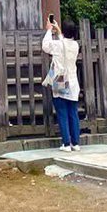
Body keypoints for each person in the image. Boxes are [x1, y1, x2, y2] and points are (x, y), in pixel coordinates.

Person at [42, 14, 81, 151]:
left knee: (62, 112)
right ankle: (75, 143)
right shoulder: (75, 45)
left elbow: (45, 46)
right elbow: (65, 44)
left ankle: (66, 143)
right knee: (73, 112)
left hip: (60, 79)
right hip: (73, 80)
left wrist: (48, 30)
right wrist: (58, 31)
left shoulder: (58, 44)